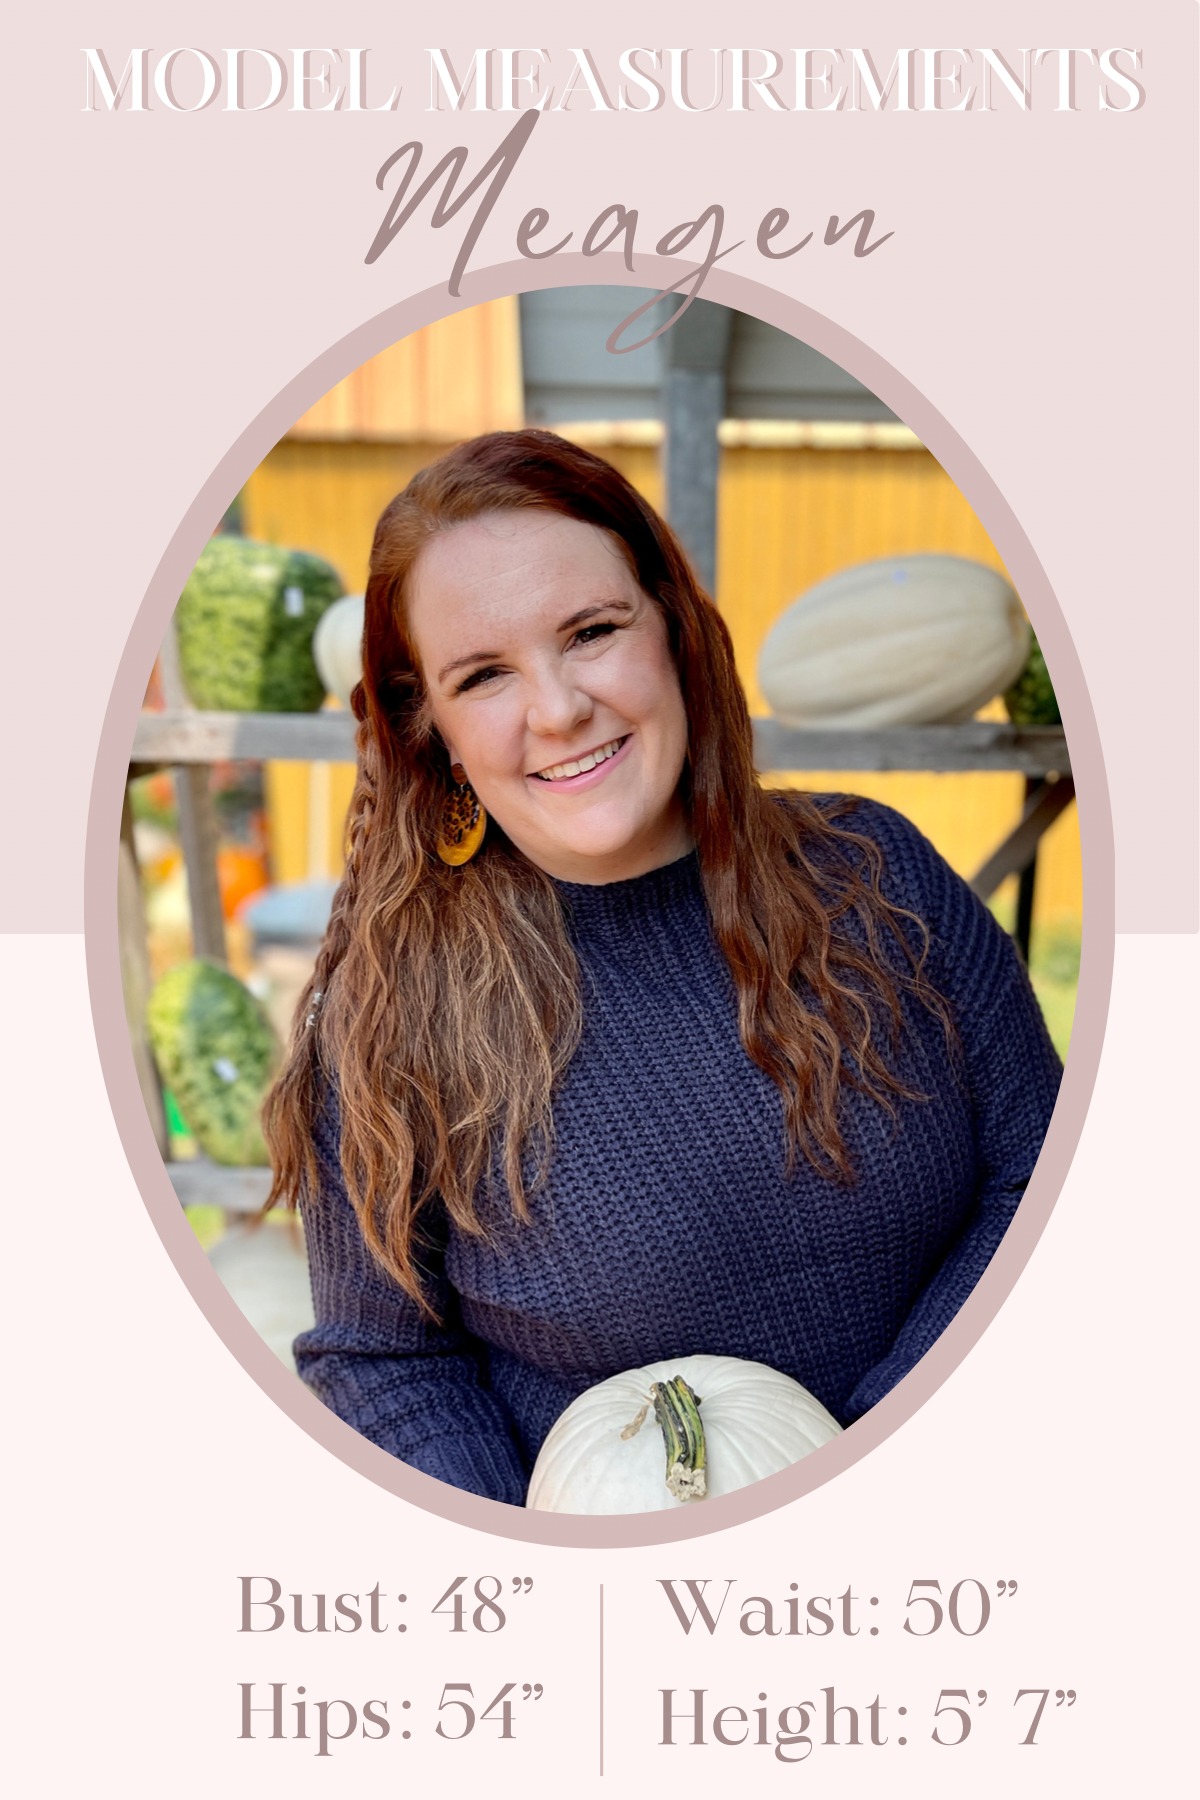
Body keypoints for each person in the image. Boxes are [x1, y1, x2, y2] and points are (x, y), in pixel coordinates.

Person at [263, 429, 1061, 1507]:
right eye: (483, 675)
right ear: (432, 726)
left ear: (674, 628)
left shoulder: (879, 875)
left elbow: (1044, 1179)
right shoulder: (391, 1012)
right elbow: (386, 1360)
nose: (557, 709)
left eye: (591, 632)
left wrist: (864, 1469)